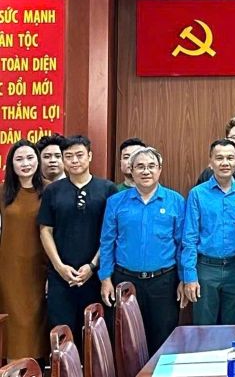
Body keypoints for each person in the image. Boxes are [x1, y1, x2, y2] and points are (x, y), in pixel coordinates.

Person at [99, 147, 186, 355]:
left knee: (164, 342)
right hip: (125, 282)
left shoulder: (175, 201)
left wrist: (183, 279)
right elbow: (107, 242)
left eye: (151, 166)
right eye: (140, 166)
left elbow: (182, 244)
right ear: (131, 170)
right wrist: (105, 278)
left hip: (164, 283)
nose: (146, 171)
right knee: (127, 345)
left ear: (160, 169)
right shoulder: (116, 202)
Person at [38, 135, 116, 354]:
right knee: (62, 339)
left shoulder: (107, 189)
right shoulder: (52, 191)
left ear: (89, 156)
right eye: (68, 156)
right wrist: (59, 267)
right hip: (61, 278)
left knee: (95, 341)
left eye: (79, 155)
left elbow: (111, 234)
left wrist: (92, 266)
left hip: (96, 277)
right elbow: (45, 230)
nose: (74, 160)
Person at [182, 139, 235, 325]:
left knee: (234, 327)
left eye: (230, 158)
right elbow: (189, 238)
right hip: (206, 269)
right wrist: (189, 276)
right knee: (203, 327)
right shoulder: (197, 194)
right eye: (219, 158)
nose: (225, 163)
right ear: (210, 162)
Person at [0, 140, 48, 362]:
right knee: (13, 325)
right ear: (11, 164)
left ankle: (34, 370)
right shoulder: (3, 192)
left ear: (38, 160)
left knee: (36, 326)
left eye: (30, 158)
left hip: (40, 268)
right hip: (9, 270)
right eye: (19, 159)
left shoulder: (49, 190)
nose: (25, 163)